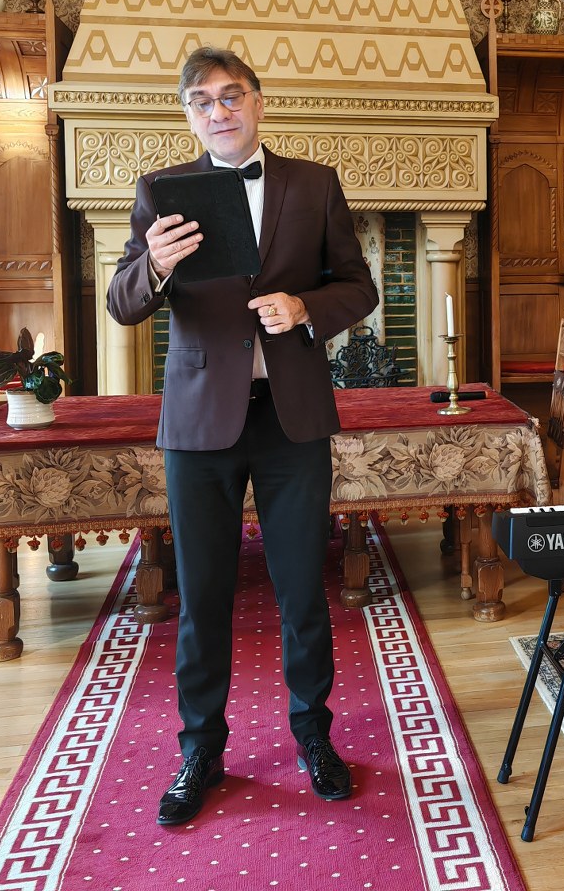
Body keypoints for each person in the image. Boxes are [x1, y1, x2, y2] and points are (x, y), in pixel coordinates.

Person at [108, 46, 379, 827]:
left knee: (302, 593)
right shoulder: (161, 191)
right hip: (200, 423)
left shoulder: (314, 183)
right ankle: (201, 750)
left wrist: (305, 308)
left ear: (259, 103)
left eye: (232, 96)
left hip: (293, 417)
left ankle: (314, 735)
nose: (219, 110)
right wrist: (155, 265)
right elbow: (123, 302)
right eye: (202, 101)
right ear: (189, 116)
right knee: (203, 598)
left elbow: (359, 284)